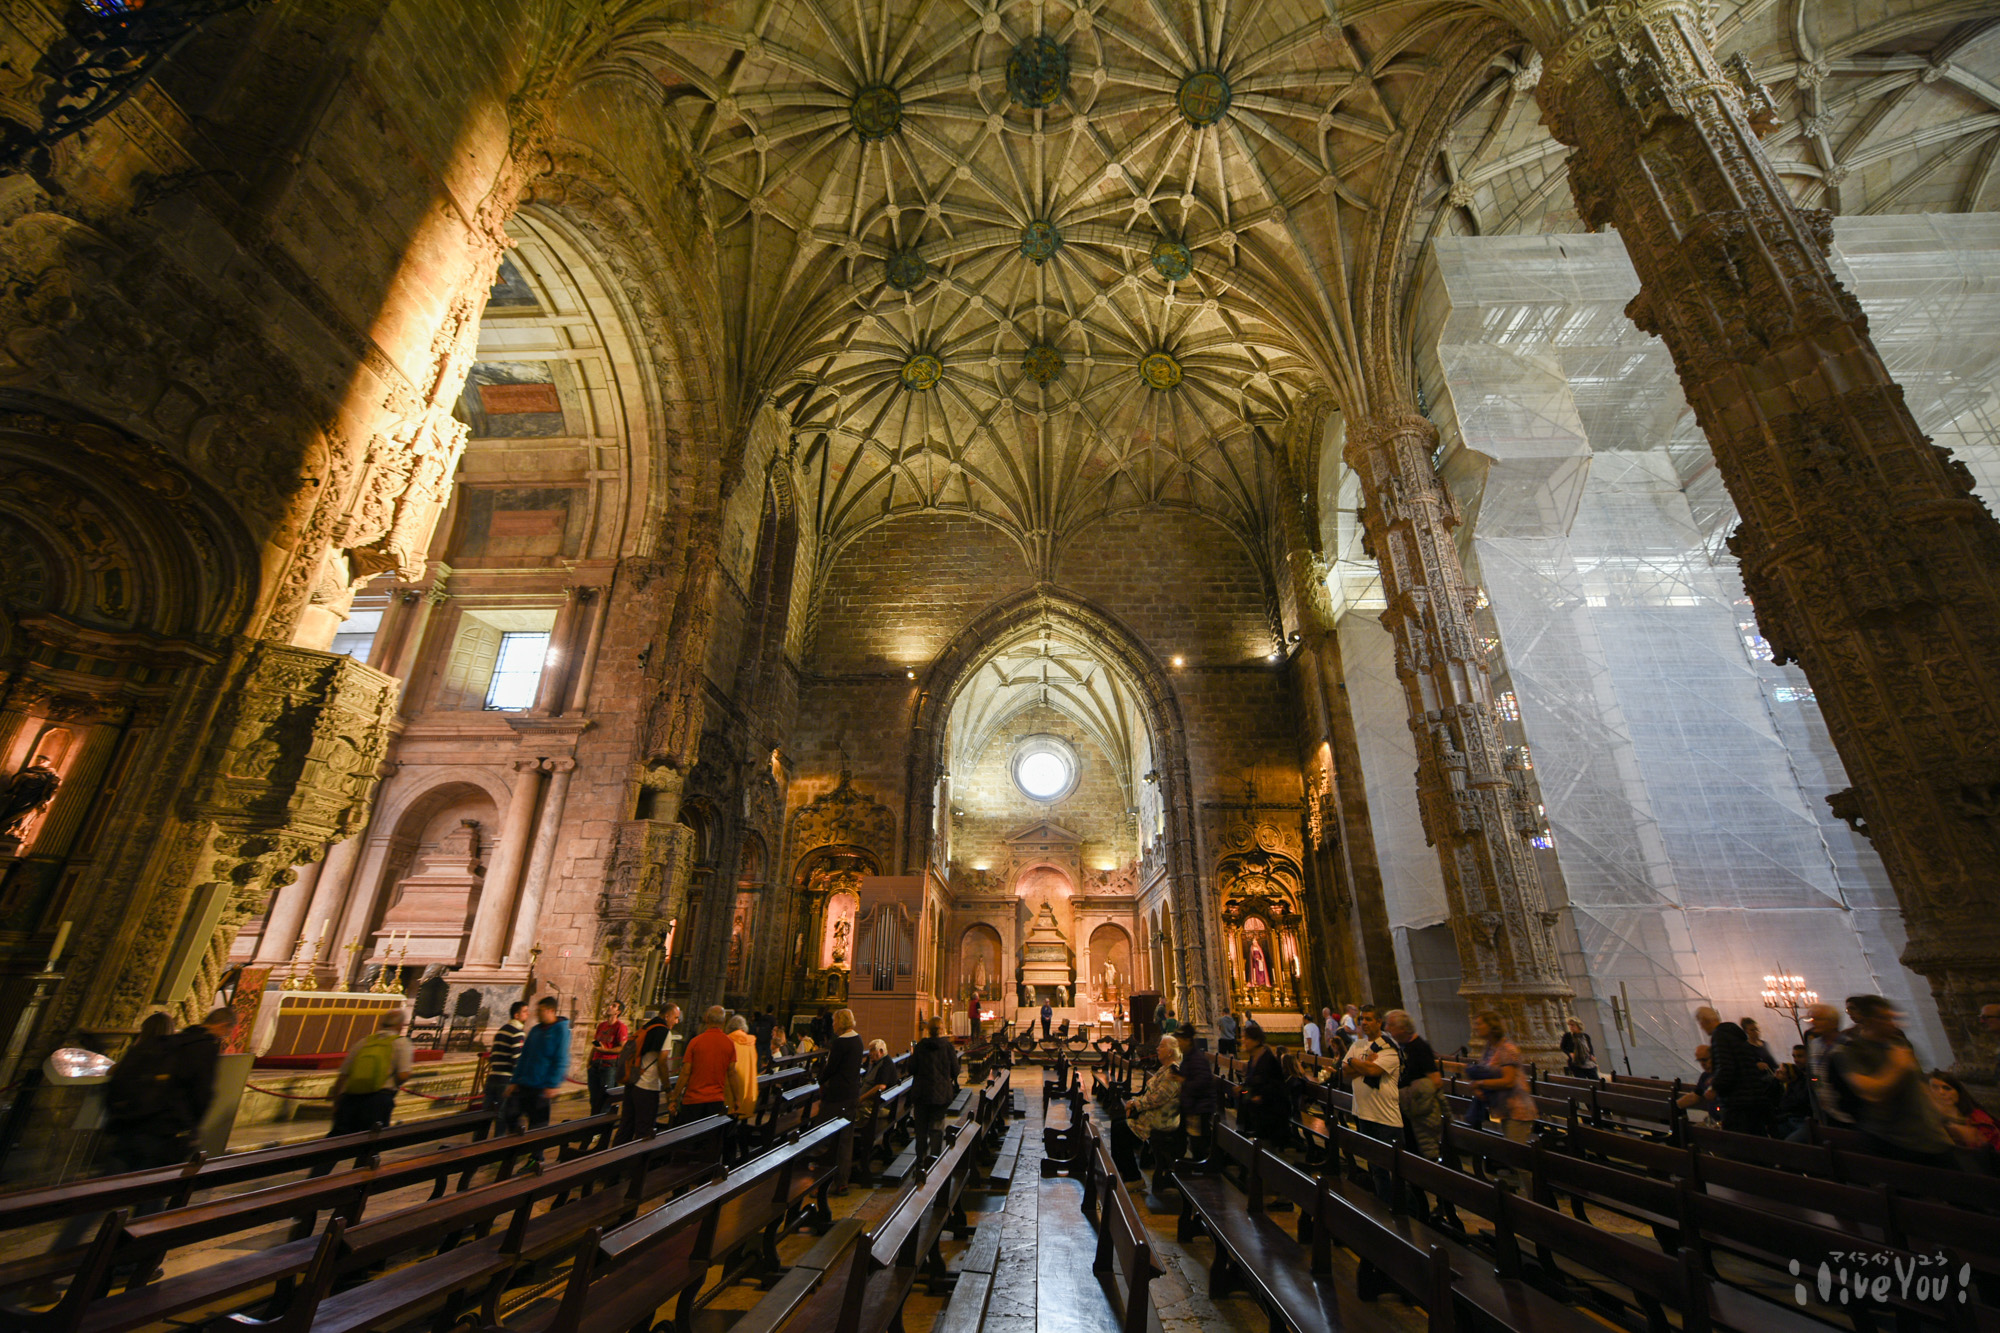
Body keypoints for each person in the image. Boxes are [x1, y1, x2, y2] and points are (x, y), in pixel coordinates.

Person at [1833, 995, 1954, 1167]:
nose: (1892, 1023)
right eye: (1884, 1018)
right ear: (1867, 1021)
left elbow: (1919, 1084)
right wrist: (1897, 1066)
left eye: (1891, 1017)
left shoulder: (1898, 1042)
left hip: (1927, 1134)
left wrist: (1947, 1120)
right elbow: (1871, 1094)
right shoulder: (1850, 1051)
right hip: (1893, 1140)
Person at [101, 1012, 182, 1177]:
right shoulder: (175, 1057)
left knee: (115, 1173)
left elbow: (114, 1075)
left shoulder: (137, 1052)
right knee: (146, 1179)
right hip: (157, 1129)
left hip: (130, 1123)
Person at [1344, 1006, 1403, 1203]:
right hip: (1364, 1113)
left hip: (1385, 1117)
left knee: (1394, 1170)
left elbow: (1372, 1071)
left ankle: (1404, 1210)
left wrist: (1353, 1061)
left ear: (1379, 1022)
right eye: (1362, 1019)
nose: (1364, 1023)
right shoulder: (1357, 1044)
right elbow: (1345, 1072)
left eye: (1369, 1019)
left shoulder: (1388, 1047)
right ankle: (1384, 1207)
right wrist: (1362, 1064)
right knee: (1375, 1167)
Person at [328, 1011, 414, 1136]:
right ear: (401, 1025)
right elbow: (403, 1075)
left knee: (340, 1139)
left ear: (382, 1024)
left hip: (351, 1098)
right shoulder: (401, 1043)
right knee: (372, 1140)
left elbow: (343, 1075)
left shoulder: (363, 1042)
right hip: (379, 1099)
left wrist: (337, 1102)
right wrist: (394, 1085)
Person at [1122, 1037, 1185, 1203]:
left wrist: (1135, 1104)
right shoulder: (1164, 1069)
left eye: (1161, 1046)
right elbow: (1150, 1094)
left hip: (1162, 1121)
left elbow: (1158, 1098)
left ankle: (1133, 1178)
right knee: (1118, 1124)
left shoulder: (1173, 1072)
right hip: (1154, 1115)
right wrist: (1134, 1102)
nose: (1157, 1048)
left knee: (1120, 1130)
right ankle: (1126, 1173)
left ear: (1170, 1052)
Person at [1697, 1005, 1776, 1136]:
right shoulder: (1735, 1035)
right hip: (1754, 1098)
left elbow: (1726, 1068)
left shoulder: (1719, 1036)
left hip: (1737, 1103)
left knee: (1740, 1142)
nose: (1702, 1028)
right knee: (1757, 1140)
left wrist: (1714, 1087)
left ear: (1706, 1021)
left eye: (1701, 1024)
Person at [168, 1006, 236, 1154]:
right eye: (227, 1032)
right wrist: (193, 1125)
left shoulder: (182, 1037)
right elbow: (202, 1089)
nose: (224, 1036)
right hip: (179, 1119)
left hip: (158, 1113)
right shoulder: (206, 1047)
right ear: (223, 1025)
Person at [1466, 1010, 1533, 1143]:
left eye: (1479, 1024)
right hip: (1503, 1106)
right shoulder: (1490, 1048)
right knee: (1509, 1148)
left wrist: (1480, 1084)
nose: (1475, 1027)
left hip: (1517, 1108)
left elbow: (1509, 1081)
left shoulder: (1507, 1049)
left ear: (1491, 1026)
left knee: (1514, 1151)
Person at [508, 996, 571, 1133]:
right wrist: (515, 1080)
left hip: (541, 1087)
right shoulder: (535, 1030)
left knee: (537, 1127)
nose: (537, 1013)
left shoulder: (561, 1031)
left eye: (540, 1010)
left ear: (551, 1010)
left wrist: (553, 1084)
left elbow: (561, 1059)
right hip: (524, 1083)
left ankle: (534, 1147)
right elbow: (524, 1056)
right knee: (511, 1118)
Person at [618, 1004, 680, 1140]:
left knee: (626, 1126)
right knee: (644, 1130)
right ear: (667, 1016)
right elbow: (662, 1063)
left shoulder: (646, 1027)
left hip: (633, 1082)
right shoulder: (664, 1032)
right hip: (647, 1087)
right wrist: (668, 1089)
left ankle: (617, 1152)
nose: (677, 1022)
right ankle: (639, 1154)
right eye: (675, 1018)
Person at [669, 1005, 735, 1125]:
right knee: (710, 1135)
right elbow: (732, 1073)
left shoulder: (696, 1042)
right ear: (724, 1021)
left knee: (690, 1134)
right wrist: (737, 1099)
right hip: (716, 1099)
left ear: (706, 1019)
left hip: (693, 1099)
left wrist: (674, 1097)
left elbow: (685, 1072)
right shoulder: (729, 1043)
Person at [910, 1016, 960, 1162]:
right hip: (941, 1094)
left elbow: (911, 1069)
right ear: (942, 1029)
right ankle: (934, 1163)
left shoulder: (920, 1046)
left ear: (928, 1030)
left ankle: (920, 1162)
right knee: (937, 1130)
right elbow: (956, 1071)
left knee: (921, 1131)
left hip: (921, 1094)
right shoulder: (948, 1047)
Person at [1174, 1026, 1220, 1165]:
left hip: (1200, 1107)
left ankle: (1201, 1165)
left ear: (1188, 1040)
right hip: (1194, 1105)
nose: (1178, 1044)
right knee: (1189, 1137)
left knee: (1198, 1141)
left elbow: (1203, 1082)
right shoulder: (1190, 1056)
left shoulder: (1196, 1058)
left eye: (1180, 1041)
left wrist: (1183, 1081)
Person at [1928, 1069, 2000, 1158]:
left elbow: (1988, 1151)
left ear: (1958, 1092)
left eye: (1947, 1088)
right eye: (1935, 1087)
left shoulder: (1978, 1118)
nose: (1941, 1092)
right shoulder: (1928, 1116)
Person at [1236, 1022, 1287, 1143]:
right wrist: (1242, 1091)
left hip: (1271, 1110)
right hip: (1256, 1109)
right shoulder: (1253, 1058)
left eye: (1246, 1038)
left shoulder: (1268, 1060)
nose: (1244, 1041)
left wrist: (1260, 1097)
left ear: (1256, 1040)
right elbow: (1250, 1086)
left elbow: (1277, 1087)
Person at [820, 1009, 865, 1120]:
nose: (833, 1024)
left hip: (839, 1093)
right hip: (852, 1090)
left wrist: (820, 1081)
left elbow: (831, 1068)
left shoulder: (840, 1042)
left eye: (834, 1021)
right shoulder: (858, 1039)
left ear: (841, 1022)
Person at [725, 1015, 760, 1158]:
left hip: (730, 1089)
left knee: (727, 1126)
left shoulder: (729, 1040)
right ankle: (734, 1155)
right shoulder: (751, 1042)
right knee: (735, 1125)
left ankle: (726, 1157)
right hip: (746, 1088)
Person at [485, 1002, 527, 1115]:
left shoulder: (501, 1030)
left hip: (492, 1077)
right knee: (502, 1115)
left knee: (485, 1115)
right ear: (516, 1015)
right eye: (524, 1011)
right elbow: (517, 1059)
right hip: (506, 1079)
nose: (527, 1014)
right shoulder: (517, 1033)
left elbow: (493, 1055)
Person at [587, 1000, 628, 1116]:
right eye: (610, 1005)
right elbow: (596, 1045)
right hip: (595, 1064)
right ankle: (592, 1122)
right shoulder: (602, 1025)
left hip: (609, 1066)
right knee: (594, 1098)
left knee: (605, 1098)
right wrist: (589, 1061)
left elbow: (622, 1048)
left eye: (613, 1006)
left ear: (618, 1012)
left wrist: (606, 1051)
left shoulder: (620, 1027)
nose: (609, 1007)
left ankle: (601, 1124)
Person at [1676, 1046, 1719, 1119]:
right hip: (1714, 1119)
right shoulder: (1705, 1076)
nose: (1702, 1064)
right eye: (1699, 1061)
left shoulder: (1724, 1075)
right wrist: (1674, 1105)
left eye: (1704, 1060)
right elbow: (1695, 1096)